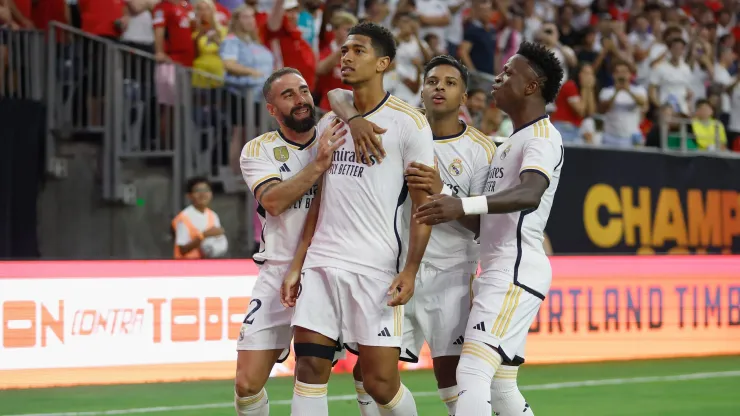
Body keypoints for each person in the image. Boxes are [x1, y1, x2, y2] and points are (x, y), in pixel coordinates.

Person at [327, 54, 496, 416]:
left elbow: (485, 227)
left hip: (451, 275)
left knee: (452, 376)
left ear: (464, 97)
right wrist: (355, 118)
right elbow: (336, 95)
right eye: (433, 80)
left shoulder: (481, 150)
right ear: (421, 89)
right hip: (395, 270)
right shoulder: (399, 125)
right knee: (370, 374)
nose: (440, 88)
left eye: (451, 83)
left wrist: (444, 192)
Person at [280, 21, 434, 416]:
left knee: (381, 384)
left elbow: (423, 205)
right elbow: (320, 197)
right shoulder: (331, 121)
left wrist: (411, 269)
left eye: (358, 50)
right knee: (311, 367)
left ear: (383, 63)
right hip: (323, 262)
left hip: (375, 268)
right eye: (344, 49)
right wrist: (298, 263)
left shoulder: (409, 124)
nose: (346, 57)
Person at [415, 41, 565, 416]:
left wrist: (460, 202)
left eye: (508, 73)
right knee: (501, 388)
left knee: (472, 371)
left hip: (514, 270)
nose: (497, 79)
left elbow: (530, 193)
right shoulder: (509, 143)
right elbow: (484, 222)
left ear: (532, 86)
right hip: (499, 267)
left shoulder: (543, 138)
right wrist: (445, 194)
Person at [234, 67, 349, 416]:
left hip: (326, 268)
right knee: (246, 386)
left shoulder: (335, 128)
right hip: (277, 268)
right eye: (288, 95)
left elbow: (347, 97)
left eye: (303, 91)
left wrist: (344, 108)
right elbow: (273, 201)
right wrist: (318, 166)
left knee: (316, 374)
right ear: (272, 109)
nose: (300, 101)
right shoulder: (258, 150)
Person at [172, 177, 228, 259]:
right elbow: (182, 250)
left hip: (207, 265)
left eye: (206, 190)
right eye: (198, 191)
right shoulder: (184, 217)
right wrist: (203, 236)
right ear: (189, 196)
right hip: (186, 266)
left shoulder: (213, 215)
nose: (203, 194)